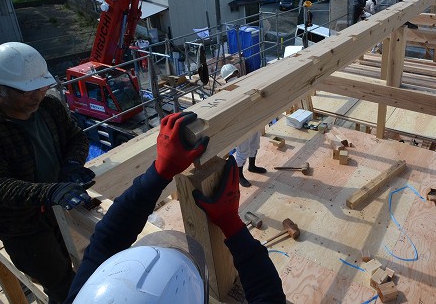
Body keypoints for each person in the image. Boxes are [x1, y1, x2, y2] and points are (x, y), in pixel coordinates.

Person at [65, 112, 286, 303]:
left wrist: (159, 173)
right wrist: (231, 222)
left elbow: (106, 241)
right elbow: (269, 296)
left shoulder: (85, 298)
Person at [0, 42, 94, 303]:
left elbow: (76, 138)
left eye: (42, 87)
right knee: (61, 284)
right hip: (22, 224)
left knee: (80, 262)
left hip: (56, 206)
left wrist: (71, 165)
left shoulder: (49, 108)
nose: (38, 95)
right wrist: (51, 191)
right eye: (27, 91)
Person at [219, 64, 266, 187]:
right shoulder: (227, 91)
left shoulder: (244, 83)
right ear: (234, 74)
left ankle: (252, 166)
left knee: (254, 144)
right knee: (243, 150)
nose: (236, 75)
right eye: (235, 74)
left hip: (252, 120)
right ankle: (239, 175)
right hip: (241, 125)